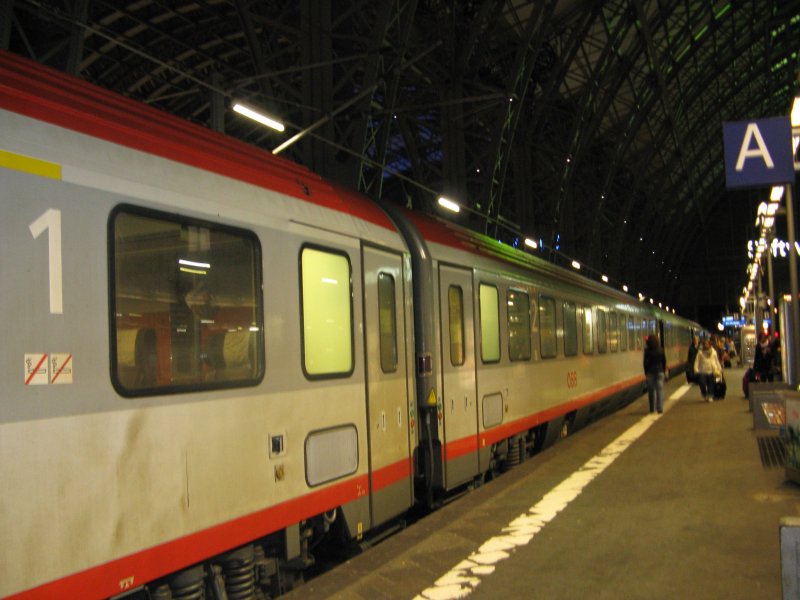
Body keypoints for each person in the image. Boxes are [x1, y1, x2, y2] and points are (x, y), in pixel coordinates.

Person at [694, 338, 722, 402]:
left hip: (711, 371)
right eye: (705, 344)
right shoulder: (700, 352)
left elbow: (716, 360)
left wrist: (719, 368)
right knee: (702, 383)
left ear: (710, 345)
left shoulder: (713, 352)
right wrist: (696, 369)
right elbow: (697, 361)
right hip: (702, 371)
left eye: (707, 344)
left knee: (711, 384)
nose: (706, 345)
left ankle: (710, 396)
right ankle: (704, 394)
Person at [643, 335, 667, 413]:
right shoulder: (661, 350)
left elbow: (645, 363)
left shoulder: (647, 351)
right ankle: (659, 408)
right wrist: (663, 370)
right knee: (660, 390)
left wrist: (646, 372)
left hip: (650, 372)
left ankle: (652, 408)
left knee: (651, 391)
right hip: (660, 372)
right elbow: (664, 361)